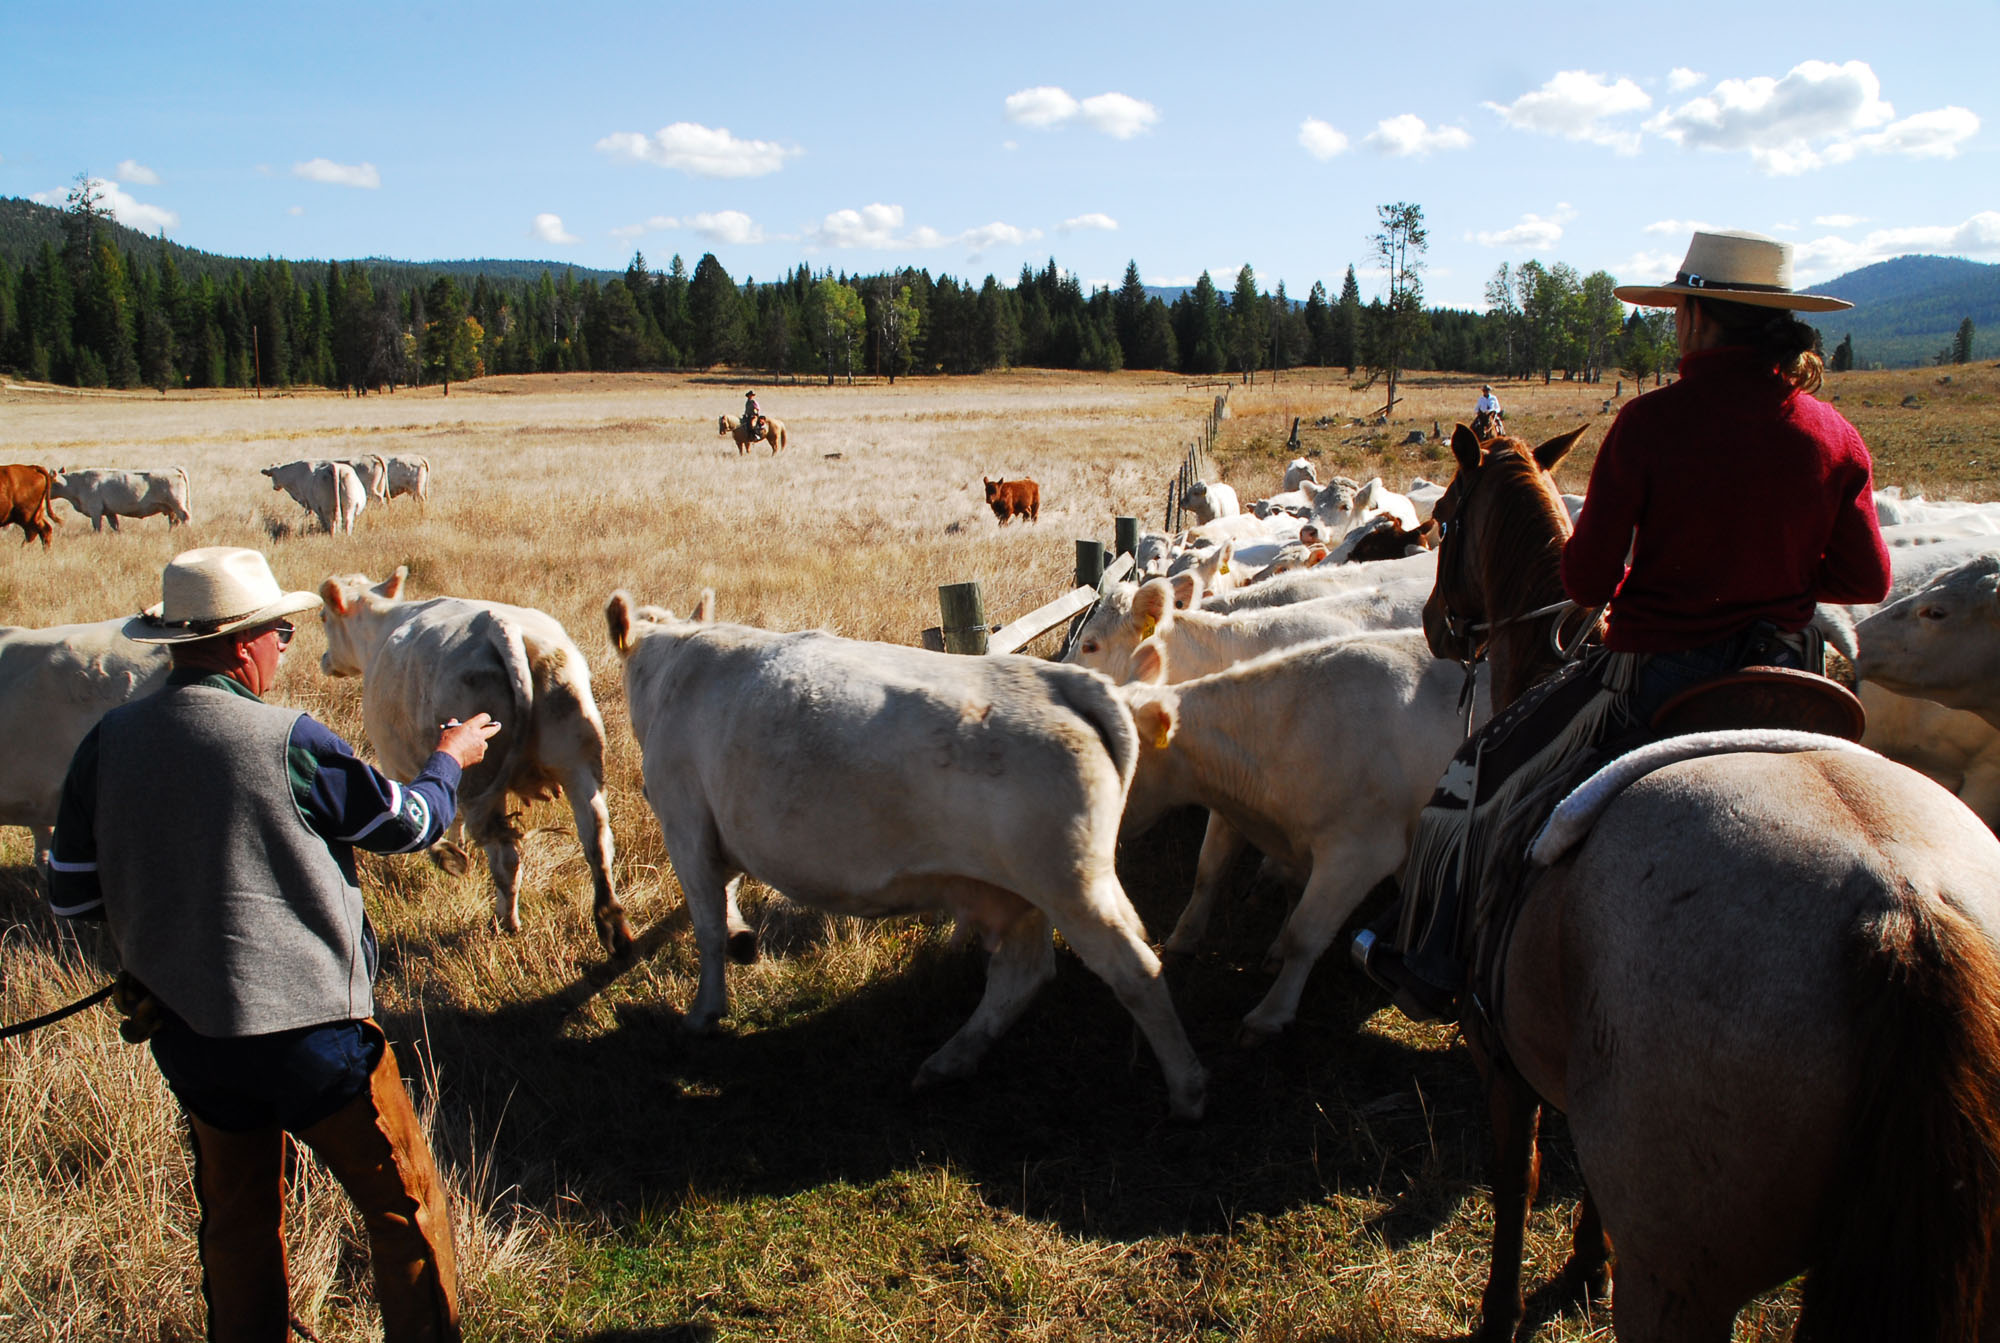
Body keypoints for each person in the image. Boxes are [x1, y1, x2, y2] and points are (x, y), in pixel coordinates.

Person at [1362, 229, 1890, 1023]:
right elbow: (1867, 578)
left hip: (1659, 675)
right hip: (1791, 674)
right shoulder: (1835, 434)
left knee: (1476, 776)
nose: (1675, 322)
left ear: (1697, 318)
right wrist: (1772, 576)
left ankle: (1432, 962)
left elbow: (1584, 580)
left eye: (1680, 308)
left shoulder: (1650, 425)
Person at [47, 546, 501, 1342]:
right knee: (406, 1209)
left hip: (190, 1037)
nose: (286, 646)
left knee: (236, 1220)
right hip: (315, 1039)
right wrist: (448, 759)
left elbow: (72, 894)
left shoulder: (106, 742)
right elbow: (409, 825)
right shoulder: (287, 738)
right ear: (240, 642)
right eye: (280, 633)